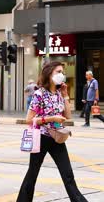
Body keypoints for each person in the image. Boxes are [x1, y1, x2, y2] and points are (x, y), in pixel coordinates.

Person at [17, 62, 88, 202]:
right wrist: (51, 118)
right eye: (58, 71)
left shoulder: (58, 94)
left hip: (57, 138)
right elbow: (29, 119)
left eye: (63, 72)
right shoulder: (39, 93)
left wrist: (66, 95)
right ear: (49, 73)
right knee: (32, 173)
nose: (61, 74)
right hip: (41, 137)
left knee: (67, 174)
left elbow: (68, 115)